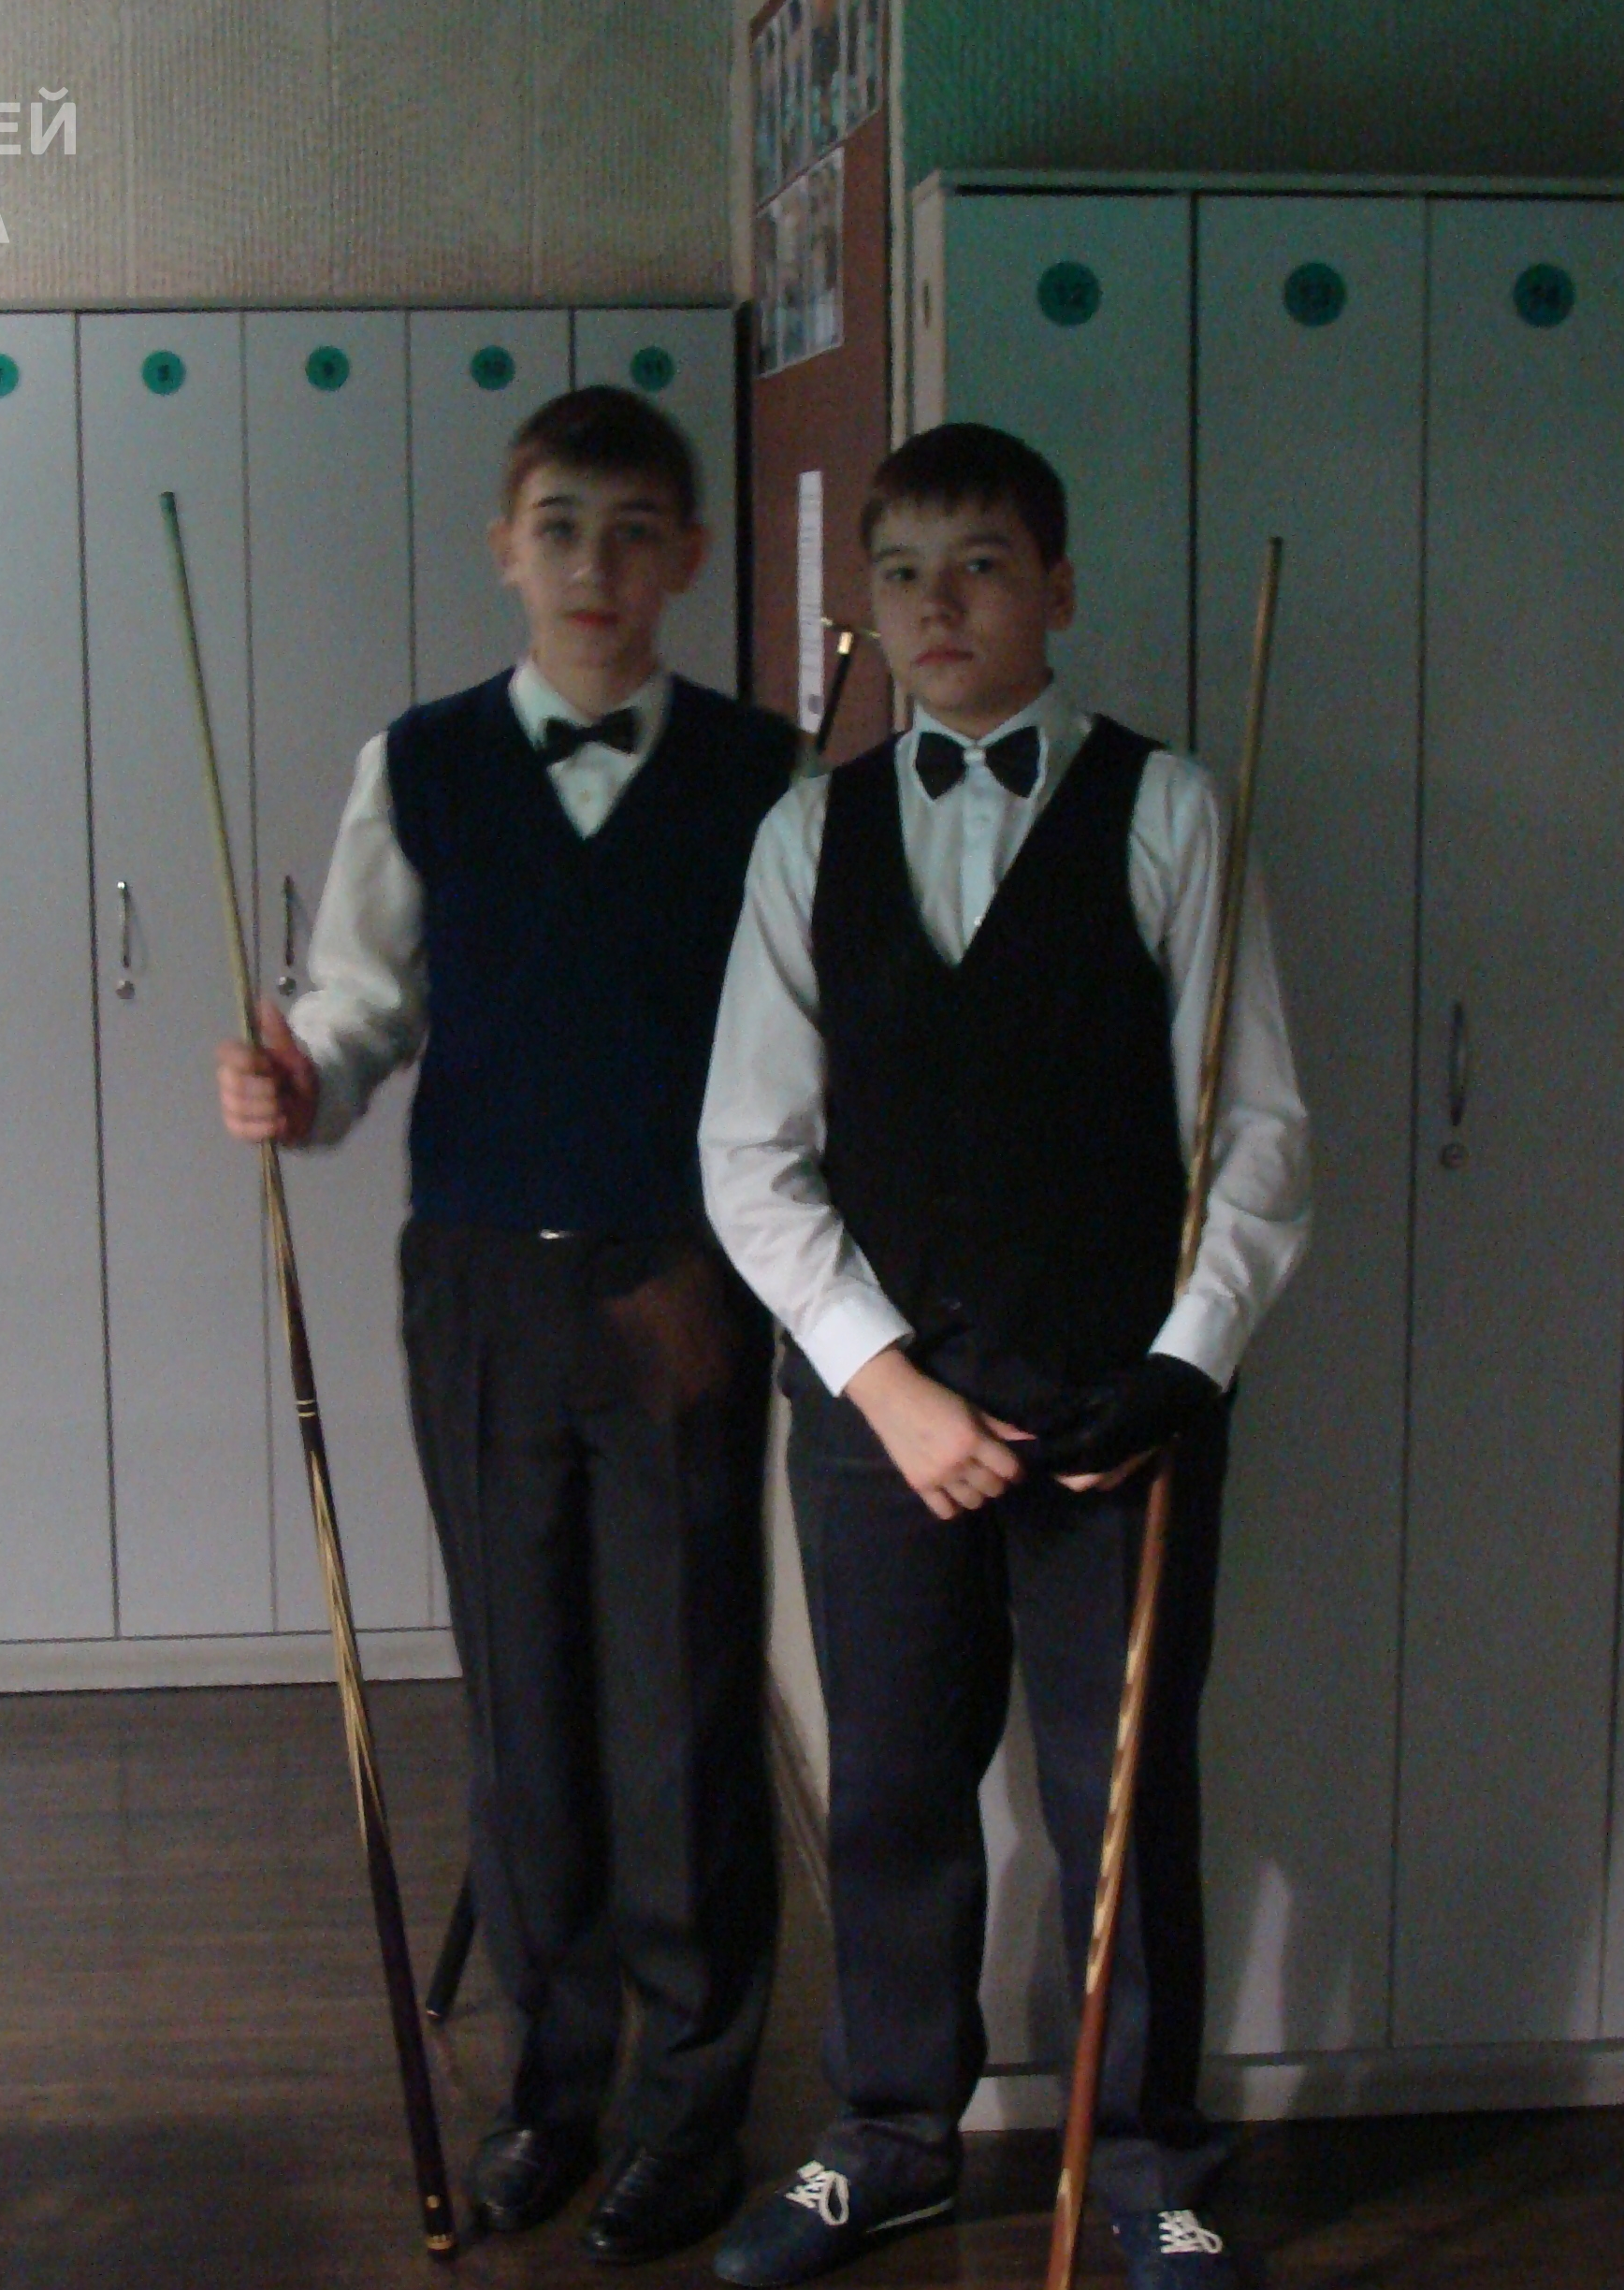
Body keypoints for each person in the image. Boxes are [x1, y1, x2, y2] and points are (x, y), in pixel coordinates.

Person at [698, 423, 1312, 2290]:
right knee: (889, 1790)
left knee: (1120, 1796)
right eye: (902, 573)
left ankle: (1147, 2159)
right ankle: (890, 2137)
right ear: (868, 611)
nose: (938, 604)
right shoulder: (805, 833)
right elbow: (748, 1154)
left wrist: (1186, 1367)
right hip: (876, 1418)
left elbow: (1256, 1135)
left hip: (1118, 1406)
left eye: (979, 564)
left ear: (1057, 587)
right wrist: (887, 1386)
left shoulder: (1171, 809)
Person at [217, 386, 798, 2265]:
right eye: (560, 528)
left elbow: (808, 1041)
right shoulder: (421, 764)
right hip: (477, 1283)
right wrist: (295, 1084)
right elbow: (360, 1003)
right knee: (523, 1691)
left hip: (684, 1286)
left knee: (682, 1700)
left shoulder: (769, 776)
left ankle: (691, 2105)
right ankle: (554, 2086)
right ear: (503, 548)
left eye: (633, 532)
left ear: (687, 558)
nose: (593, 567)